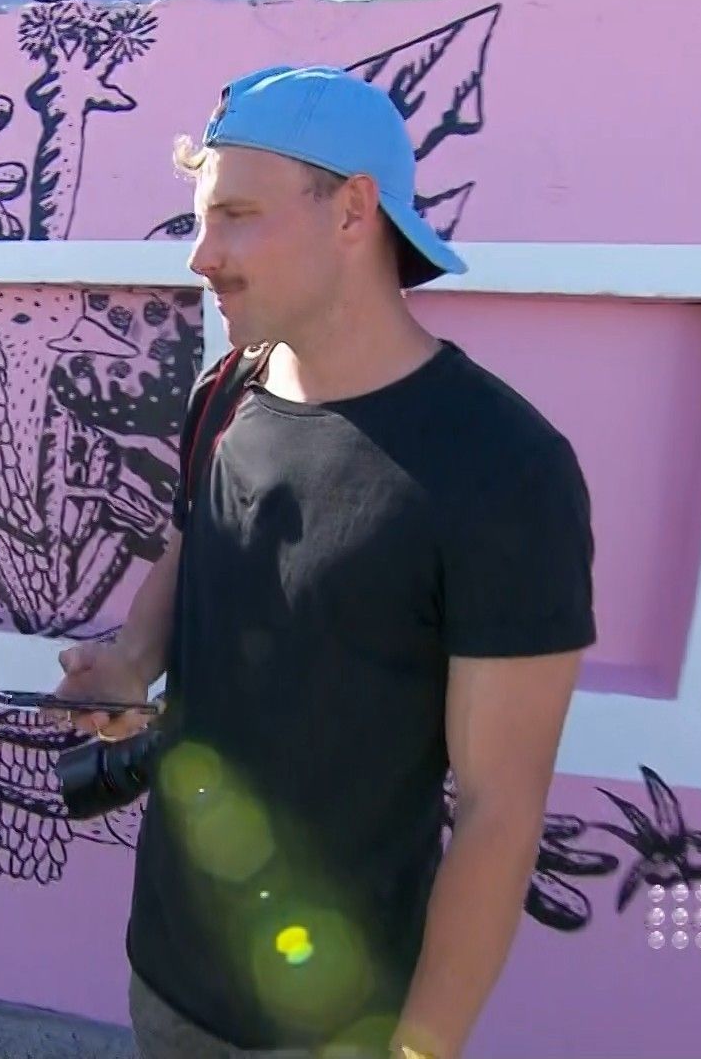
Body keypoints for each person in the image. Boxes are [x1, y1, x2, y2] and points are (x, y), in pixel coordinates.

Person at [55, 66, 597, 1059]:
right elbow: (197, 534)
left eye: (236, 217)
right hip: (164, 978)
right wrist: (131, 660)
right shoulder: (228, 391)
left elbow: (499, 815)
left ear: (353, 210)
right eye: (202, 222)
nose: (201, 258)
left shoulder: (506, 469)